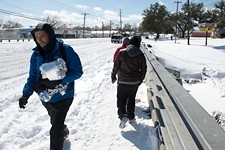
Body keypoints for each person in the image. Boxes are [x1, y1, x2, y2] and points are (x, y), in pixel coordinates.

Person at [18, 23, 83, 150]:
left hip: (64, 98)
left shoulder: (66, 50)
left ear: (51, 35)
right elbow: (32, 76)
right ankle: (63, 129)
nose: (40, 40)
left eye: (43, 36)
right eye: (37, 37)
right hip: (45, 97)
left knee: (55, 131)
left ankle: (59, 134)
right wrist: (26, 94)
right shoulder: (36, 54)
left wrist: (60, 81)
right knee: (55, 122)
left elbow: (77, 71)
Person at [111, 36, 147, 128]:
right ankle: (131, 116)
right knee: (131, 99)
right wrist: (140, 80)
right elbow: (144, 69)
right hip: (134, 82)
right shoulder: (140, 54)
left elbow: (116, 66)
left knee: (121, 99)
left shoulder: (122, 52)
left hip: (122, 81)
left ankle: (122, 115)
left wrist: (113, 76)